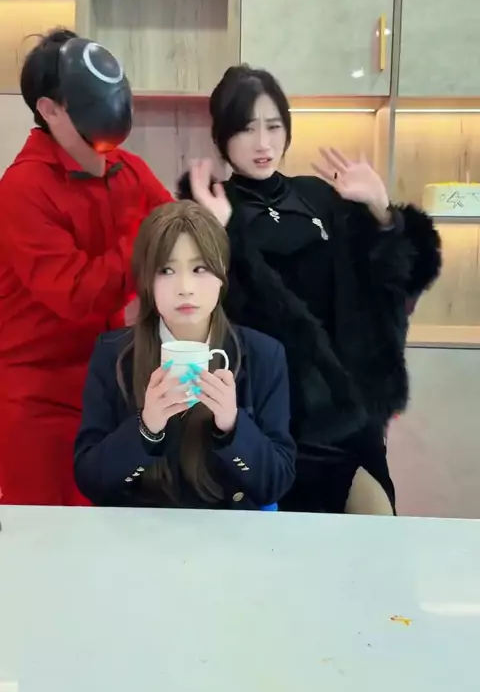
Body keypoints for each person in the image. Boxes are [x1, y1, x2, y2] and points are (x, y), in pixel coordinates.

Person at [178, 65, 442, 515]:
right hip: (272, 419)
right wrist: (220, 236)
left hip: (351, 415)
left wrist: (382, 212)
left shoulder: (319, 195)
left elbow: (398, 283)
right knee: (286, 553)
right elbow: (216, 314)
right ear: (222, 137)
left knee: (378, 537)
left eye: (273, 126)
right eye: (246, 129)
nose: (263, 143)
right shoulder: (213, 207)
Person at [0, 28, 173, 506]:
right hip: (38, 399)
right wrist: (148, 238)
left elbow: (172, 228)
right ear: (49, 109)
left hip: (108, 386)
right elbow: (79, 293)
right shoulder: (22, 190)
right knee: (46, 534)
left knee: (106, 526)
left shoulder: (126, 168)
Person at [74, 201, 296, 509]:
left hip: (230, 530)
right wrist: (146, 428)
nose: (185, 288)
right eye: (166, 270)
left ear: (222, 275)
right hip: (140, 528)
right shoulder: (114, 353)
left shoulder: (263, 355)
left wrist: (232, 426)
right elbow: (90, 480)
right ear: (146, 281)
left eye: (200, 268)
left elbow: (276, 482)